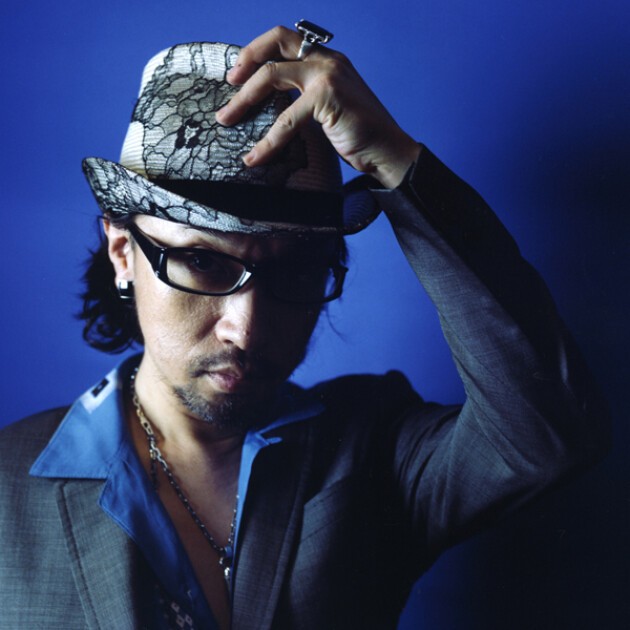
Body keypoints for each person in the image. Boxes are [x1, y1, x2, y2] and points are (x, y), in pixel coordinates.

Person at [0, 24, 610, 630]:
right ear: (122, 252)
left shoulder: (370, 455)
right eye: (204, 262)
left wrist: (394, 159)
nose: (246, 330)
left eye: (296, 272)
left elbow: (547, 434)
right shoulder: (8, 487)